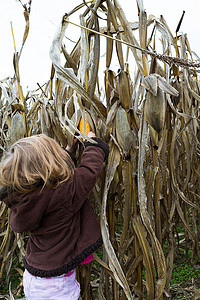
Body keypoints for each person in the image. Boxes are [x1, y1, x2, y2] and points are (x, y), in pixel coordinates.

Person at [0, 132, 109, 300]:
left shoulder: (24, 197)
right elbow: (89, 172)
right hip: (57, 288)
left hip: (34, 278)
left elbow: (52, 175)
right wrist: (93, 145)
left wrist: (69, 151)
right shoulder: (63, 193)